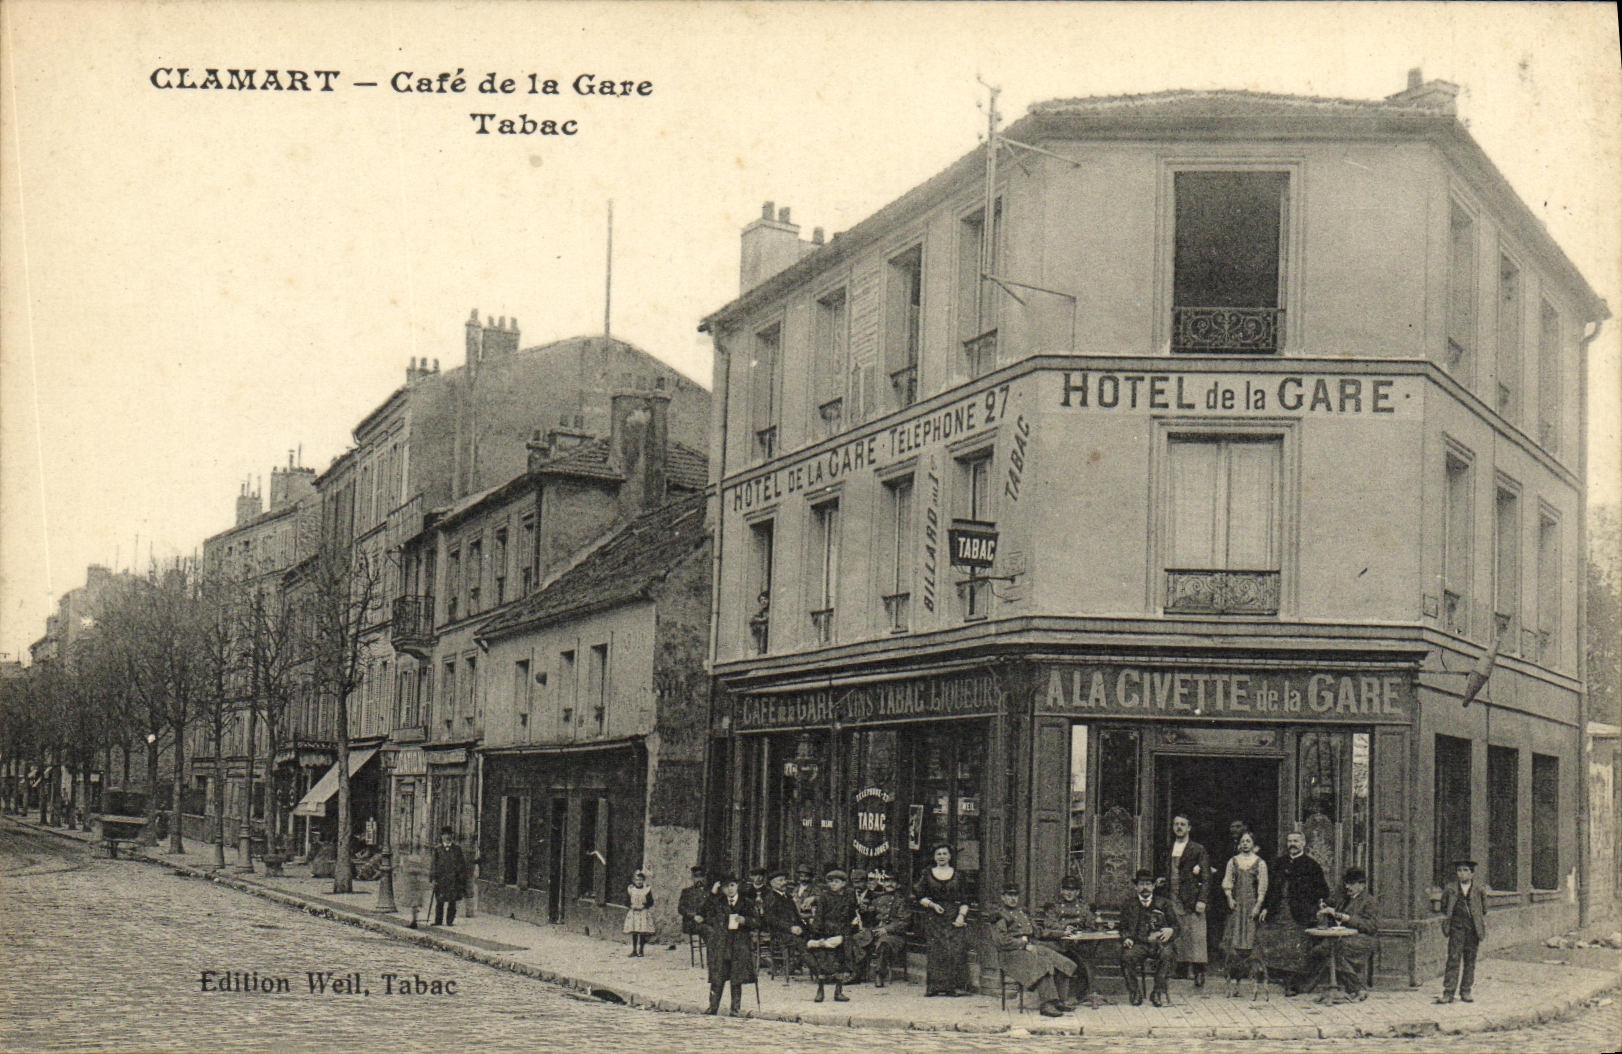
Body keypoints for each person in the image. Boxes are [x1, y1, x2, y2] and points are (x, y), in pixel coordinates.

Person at [992, 881, 1078, 1016]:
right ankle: (1047, 1004)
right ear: (1003, 897)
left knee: (1063, 961)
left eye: (1015, 895)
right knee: (1043, 963)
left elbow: (1038, 932)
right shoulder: (1000, 916)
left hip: (1029, 948)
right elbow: (1001, 941)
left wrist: (1062, 933)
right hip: (1011, 955)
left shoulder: (1022, 913)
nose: (1013, 899)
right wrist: (1023, 944)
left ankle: (1059, 1001)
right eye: (1009, 895)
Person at [1259, 831, 1329, 995]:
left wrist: (1311, 903)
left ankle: (1293, 984)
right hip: (1278, 910)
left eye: (1296, 841)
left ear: (1303, 843)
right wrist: (1266, 907)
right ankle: (1278, 979)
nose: (1292, 844)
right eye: (1290, 841)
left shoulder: (1311, 865)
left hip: (1298, 913)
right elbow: (1271, 889)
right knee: (1277, 944)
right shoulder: (1279, 863)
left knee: (1295, 949)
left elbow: (1322, 891)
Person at [1307, 866, 1378, 999]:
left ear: (1362, 884)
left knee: (1334, 951)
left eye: (1351, 884)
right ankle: (1309, 988)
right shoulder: (1345, 899)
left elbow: (1371, 927)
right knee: (1319, 950)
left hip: (1362, 939)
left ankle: (1357, 989)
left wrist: (1347, 918)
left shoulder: (1369, 901)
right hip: (1342, 938)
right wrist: (1326, 909)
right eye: (1346, 883)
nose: (1347, 887)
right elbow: (1333, 910)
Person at [915, 843, 972, 996]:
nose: (941, 856)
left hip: (953, 916)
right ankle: (934, 987)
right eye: (938, 854)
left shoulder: (959, 875)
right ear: (934, 857)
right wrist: (932, 905)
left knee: (954, 950)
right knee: (936, 950)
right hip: (934, 917)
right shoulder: (927, 874)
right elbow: (919, 896)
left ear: (950, 856)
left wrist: (961, 916)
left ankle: (952, 987)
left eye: (944, 853)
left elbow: (966, 899)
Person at [1118, 868, 1180, 1006]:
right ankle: (1135, 992)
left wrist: (1170, 930)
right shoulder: (1129, 905)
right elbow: (1122, 927)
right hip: (1139, 944)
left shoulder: (1164, 903)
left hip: (1159, 944)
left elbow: (1177, 926)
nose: (1145, 887)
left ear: (1153, 886)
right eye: (1141, 884)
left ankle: (1157, 992)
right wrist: (1126, 938)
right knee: (1126, 956)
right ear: (1136, 887)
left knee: (1167, 955)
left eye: (1148, 884)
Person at [702, 875, 758, 1016]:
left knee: (736, 977)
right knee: (718, 976)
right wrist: (712, 894)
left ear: (737, 886)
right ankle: (713, 1006)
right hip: (721, 944)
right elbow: (703, 912)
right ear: (722, 889)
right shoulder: (717, 902)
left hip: (739, 944)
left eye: (732, 885)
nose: (730, 889)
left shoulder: (746, 903)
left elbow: (757, 922)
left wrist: (744, 920)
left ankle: (735, 1008)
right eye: (726, 887)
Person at [1038, 874, 1100, 999]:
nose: (1069, 893)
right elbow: (1049, 923)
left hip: (1079, 945)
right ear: (1061, 891)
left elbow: (1091, 924)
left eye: (1072, 890)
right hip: (1060, 944)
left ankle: (1083, 993)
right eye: (1066, 890)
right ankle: (1061, 996)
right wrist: (1064, 928)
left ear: (1077, 892)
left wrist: (1080, 932)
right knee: (1060, 961)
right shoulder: (1054, 907)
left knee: (1086, 962)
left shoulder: (1083, 907)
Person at [1167, 813, 1212, 986]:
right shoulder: (1170, 848)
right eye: (1176, 824)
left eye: (1182, 824)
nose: (1179, 827)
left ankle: (1199, 972)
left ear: (1189, 828)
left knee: (1196, 934)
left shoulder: (1197, 849)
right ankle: (1181, 968)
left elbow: (1207, 876)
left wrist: (1202, 899)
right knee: (1178, 931)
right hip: (1173, 894)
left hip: (1191, 896)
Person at [1437, 859, 1486, 1004]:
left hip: (1472, 929)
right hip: (1457, 929)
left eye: (1465, 870)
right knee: (1453, 959)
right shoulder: (1450, 889)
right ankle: (1448, 992)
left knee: (1470, 960)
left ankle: (1466, 990)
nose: (1462, 874)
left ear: (1472, 873)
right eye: (1459, 870)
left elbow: (1484, 909)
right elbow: (1444, 907)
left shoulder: (1479, 889)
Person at [806, 868, 860, 1002]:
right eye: (831, 882)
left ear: (843, 884)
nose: (833, 884)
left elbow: (852, 915)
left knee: (841, 962)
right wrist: (818, 934)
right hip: (827, 931)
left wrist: (851, 927)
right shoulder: (824, 897)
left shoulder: (849, 898)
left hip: (842, 932)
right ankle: (820, 991)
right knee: (824, 963)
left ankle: (838, 991)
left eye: (836, 882)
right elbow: (819, 917)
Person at [1220, 831, 1267, 981]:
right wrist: (1229, 897)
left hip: (1251, 904)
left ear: (1253, 843)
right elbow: (1228, 881)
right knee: (1234, 936)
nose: (1245, 844)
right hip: (1237, 904)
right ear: (1239, 844)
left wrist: (1258, 905)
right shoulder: (1233, 861)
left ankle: (1252, 973)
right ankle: (1233, 973)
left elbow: (1262, 886)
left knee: (1251, 937)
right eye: (1243, 841)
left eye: (1248, 841)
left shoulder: (1259, 863)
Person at [861, 869, 911, 988]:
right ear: (882, 883)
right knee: (857, 938)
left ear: (898, 885)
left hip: (895, 935)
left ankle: (879, 974)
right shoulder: (877, 899)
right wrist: (865, 911)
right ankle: (858, 973)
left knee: (884, 943)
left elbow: (904, 921)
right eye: (887, 881)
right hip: (876, 930)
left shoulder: (902, 901)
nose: (889, 884)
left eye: (893, 882)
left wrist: (887, 929)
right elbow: (870, 917)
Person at [761, 868, 807, 977]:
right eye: (780, 881)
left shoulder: (788, 898)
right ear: (772, 884)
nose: (784, 883)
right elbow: (771, 920)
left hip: (792, 930)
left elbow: (797, 917)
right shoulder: (770, 898)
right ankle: (820, 973)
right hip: (780, 933)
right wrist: (790, 928)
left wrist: (803, 927)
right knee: (802, 943)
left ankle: (820, 969)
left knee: (812, 937)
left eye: (784, 880)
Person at [429, 826, 468, 927]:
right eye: (444, 835)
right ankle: (438, 920)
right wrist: (433, 878)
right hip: (441, 879)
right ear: (441, 837)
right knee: (439, 901)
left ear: (451, 836)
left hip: (453, 880)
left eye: (448, 835)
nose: (446, 837)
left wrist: (461, 879)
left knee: (452, 901)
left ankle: (450, 921)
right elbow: (433, 865)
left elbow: (461, 865)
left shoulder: (457, 849)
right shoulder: (437, 850)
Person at [623, 869, 655, 956]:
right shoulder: (631, 889)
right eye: (637, 880)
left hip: (642, 913)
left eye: (641, 880)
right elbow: (626, 901)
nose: (639, 882)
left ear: (643, 880)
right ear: (634, 880)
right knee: (634, 931)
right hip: (633, 912)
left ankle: (641, 950)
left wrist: (644, 905)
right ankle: (634, 950)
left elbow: (651, 902)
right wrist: (631, 905)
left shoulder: (646, 890)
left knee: (642, 932)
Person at [678, 865, 710, 946]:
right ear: (692, 878)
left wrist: (705, 917)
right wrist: (693, 916)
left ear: (704, 878)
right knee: (709, 931)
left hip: (705, 921)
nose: (699, 879)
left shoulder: (709, 892)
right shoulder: (686, 892)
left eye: (701, 877)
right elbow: (681, 908)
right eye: (696, 877)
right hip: (691, 922)